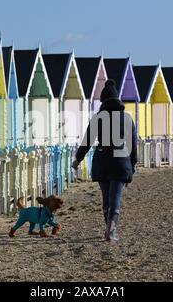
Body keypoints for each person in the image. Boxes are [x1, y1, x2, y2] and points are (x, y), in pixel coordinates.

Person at [72, 79, 137, 243]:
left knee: (106, 197)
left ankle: (108, 228)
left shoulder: (97, 118)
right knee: (115, 196)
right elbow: (133, 146)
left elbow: (87, 141)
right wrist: (132, 166)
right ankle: (111, 231)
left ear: (103, 102)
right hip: (121, 160)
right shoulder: (127, 118)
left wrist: (77, 159)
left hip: (102, 160)